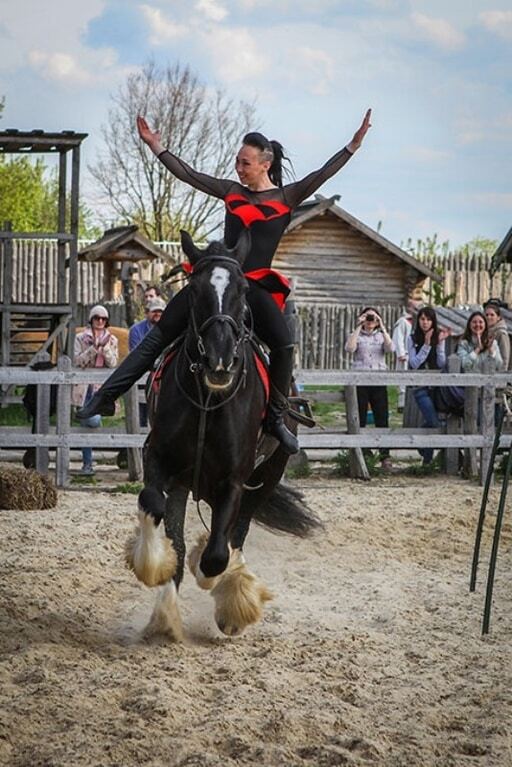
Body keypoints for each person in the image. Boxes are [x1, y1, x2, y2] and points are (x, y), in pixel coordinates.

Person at [78, 109, 373, 454]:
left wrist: (352, 145)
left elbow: (323, 173)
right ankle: (105, 397)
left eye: (245, 163)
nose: (239, 168)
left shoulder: (287, 197)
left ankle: (276, 417)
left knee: (283, 344)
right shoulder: (231, 191)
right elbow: (189, 175)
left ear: (265, 163)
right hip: (218, 281)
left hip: (254, 287)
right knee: (159, 335)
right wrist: (156, 147)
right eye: (237, 161)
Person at [345, 307, 394, 471]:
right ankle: (363, 451)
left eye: (373, 317)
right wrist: (358, 326)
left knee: (382, 417)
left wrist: (382, 326)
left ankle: (384, 454)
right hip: (360, 379)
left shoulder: (380, 335)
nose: (370, 320)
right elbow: (350, 348)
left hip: (379, 379)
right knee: (360, 417)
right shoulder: (356, 335)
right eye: (368, 317)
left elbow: (390, 349)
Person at [72, 305, 119, 475]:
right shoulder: (80, 338)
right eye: (97, 318)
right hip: (84, 386)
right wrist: (94, 348)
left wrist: (104, 348)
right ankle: (87, 463)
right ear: (91, 320)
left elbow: (113, 363)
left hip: (102, 387)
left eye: (103, 319)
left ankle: (88, 464)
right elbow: (78, 361)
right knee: (88, 422)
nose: (100, 321)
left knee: (91, 421)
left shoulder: (112, 340)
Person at [407, 306, 448, 466]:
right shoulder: (412, 338)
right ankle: (421, 446)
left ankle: (427, 460)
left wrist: (439, 345)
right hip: (420, 386)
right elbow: (414, 363)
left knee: (430, 421)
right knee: (434, 421)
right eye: (422, 319)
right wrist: (426, 344)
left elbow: (441, 363)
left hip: (436, 386)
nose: (425, 322)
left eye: (428, 319)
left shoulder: (438, 337)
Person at [129, 297, 166, 426]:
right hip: (142, 377)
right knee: (141, 415)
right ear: (147, 312)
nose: (157, 314)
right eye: (154, 311)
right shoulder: (136, 330)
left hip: (163, 376)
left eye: (160, 312)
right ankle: (139, 443)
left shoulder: (170, 329)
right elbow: (137, 354)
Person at [392, 297, 422, 411]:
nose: (416, 309)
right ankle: (401, 405)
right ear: (409, 307)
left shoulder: (418, 321)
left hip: (415, 355)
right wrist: (400, 353)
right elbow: (398, 338)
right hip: (405, 355)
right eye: (414, 307)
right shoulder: (402, 322)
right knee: (402, 380)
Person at [484, 299, 510, 370]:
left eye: (492, 315)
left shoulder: (501, 333)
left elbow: (505, 358)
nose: (488, 317)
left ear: (498, 317)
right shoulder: (485, 332)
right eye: (486, 315)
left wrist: (500, 376)